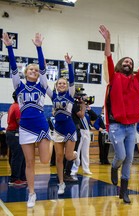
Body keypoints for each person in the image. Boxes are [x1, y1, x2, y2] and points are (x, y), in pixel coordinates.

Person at [99, 25, 139, 204]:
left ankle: (124, 191)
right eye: (126, 61)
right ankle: (114, 167)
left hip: (132, 127)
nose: (128, 63)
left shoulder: (135, 80)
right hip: (116, 125)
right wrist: (108, 41)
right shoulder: (114, 77)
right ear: (120, 64)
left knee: (130, 159)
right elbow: (108, 56)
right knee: (121, 156)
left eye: (131, 62)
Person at [2, 32, 51, 208]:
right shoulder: (19, 86)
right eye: (31, 69)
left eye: (36, 70)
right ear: (26, 72)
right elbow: (13, 67)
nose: (34, 71)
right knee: (29, 163)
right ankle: (32, 193)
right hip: (25, 129)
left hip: (41, 127)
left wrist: (39, 47)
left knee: (45, 160)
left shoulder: (42, 86)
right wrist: (9, 47)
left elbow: (44, 69)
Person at [46, 53, 80, 195]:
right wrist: (45, 67)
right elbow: (43, 84)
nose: (62, 85)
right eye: (59, 83)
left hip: (70, 129)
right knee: (58, 157)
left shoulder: (70, 95)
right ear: (56, 85)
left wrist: (69, 64)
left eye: (63, 83)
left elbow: (72, 80)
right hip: (58, 130)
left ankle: (74, 155)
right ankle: (61, 183)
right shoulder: (53, 95)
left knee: (68, 156)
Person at [6, 91, 26, 185]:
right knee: (18, 156)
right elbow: (20, 122)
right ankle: (14, 179)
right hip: (14, 133)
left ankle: (21, 177)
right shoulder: (17, 107)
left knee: (18, 156)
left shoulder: (13, 105)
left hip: (12, 133)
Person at [71, 104, 97, 175]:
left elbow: (95, 117)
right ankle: (74, 169)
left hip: (87, 131)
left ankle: (86, 169)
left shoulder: (87, 111)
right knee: (77, 151)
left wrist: (89, 109)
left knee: (85, 152)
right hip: (80, 130)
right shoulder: (77, 109)